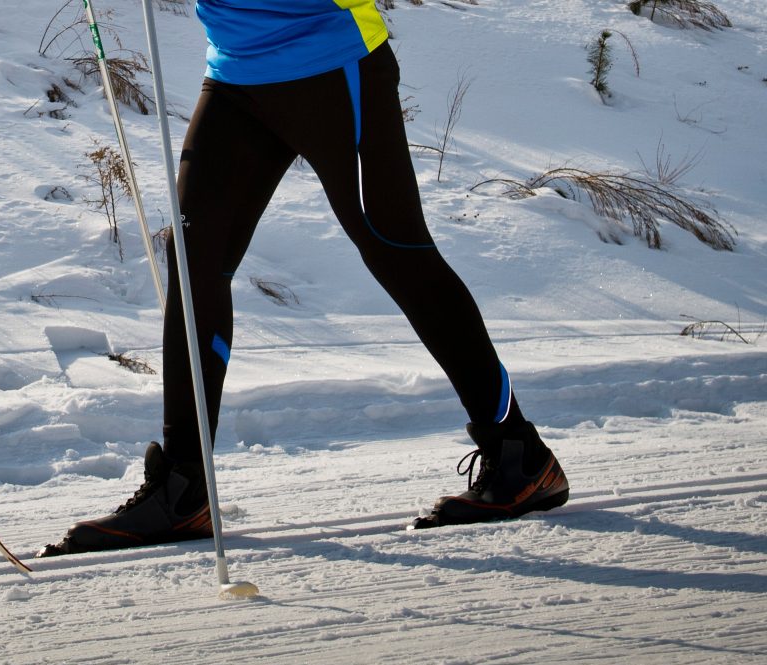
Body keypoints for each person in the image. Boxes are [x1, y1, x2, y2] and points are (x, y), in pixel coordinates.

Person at [37, 0, 568, 557]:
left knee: (395, 250)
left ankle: (518, 455)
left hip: (332, 62)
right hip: (236, 73)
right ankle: (183, 488)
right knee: (194, 260)